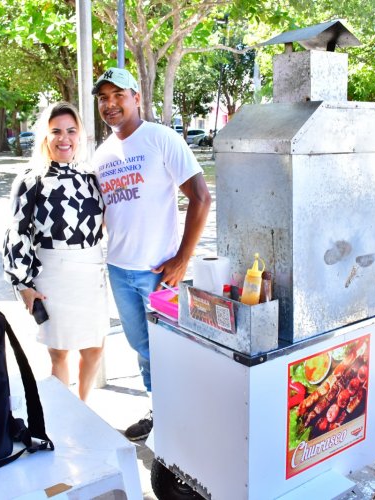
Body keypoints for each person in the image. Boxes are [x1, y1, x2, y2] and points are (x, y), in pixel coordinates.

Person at [91, 67, 212, 440]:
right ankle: (160, 408)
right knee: (141, 345)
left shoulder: (160, 138)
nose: (111, 105)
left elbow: (201, 198)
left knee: (171, 344)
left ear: (137, 98)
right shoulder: (102, 153)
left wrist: (182, 259)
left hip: (160, 271)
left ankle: (185, 415)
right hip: (119, 270)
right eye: (104, 98)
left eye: (118, 96)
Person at [3, 101, 108, 401]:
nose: (65, 138)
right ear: (45, 137)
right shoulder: (31, 179)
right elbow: (17, 231)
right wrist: (22, 284)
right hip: (53, 275)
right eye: (56, 131)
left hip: (91, 272)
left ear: (81, 136)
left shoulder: (90, 177)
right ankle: (64, 414)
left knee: (95, 348)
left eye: (71, 131)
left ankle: (83, 407)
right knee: (59, 353)